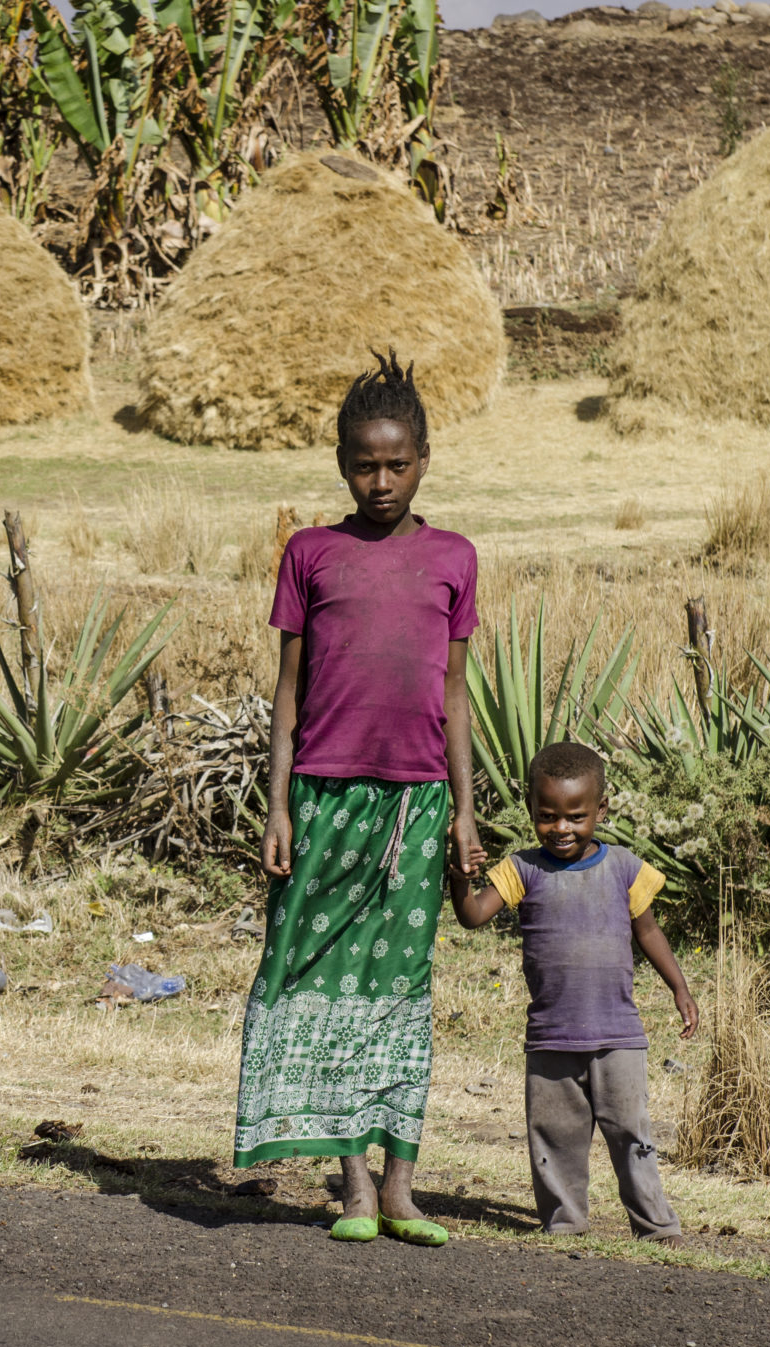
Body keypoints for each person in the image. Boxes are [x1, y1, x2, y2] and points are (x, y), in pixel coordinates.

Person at [239, 350, 485, 1248]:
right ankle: (349, 1185)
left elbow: (454, 694)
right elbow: (289, 694)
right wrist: (276, 806)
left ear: (424, 459)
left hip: (415, 808)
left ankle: (402, 1189)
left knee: (399, 990)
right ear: (341, 463)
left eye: (397, 464)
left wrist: (462, 808)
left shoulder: (454, 558)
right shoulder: (311, 553)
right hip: (322, 798)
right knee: (320, 984)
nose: (380, 482)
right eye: (363, 465)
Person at [449, 740, 698, 1245]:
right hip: (550, 1038)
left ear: (600, 810)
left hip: (618, 1036)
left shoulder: (625, 867)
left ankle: (656, 1227)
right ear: (532, 812)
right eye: (547, 816)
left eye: (576, 816)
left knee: (632, 1135)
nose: (561, 828)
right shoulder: (521, 870)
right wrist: (458, 878)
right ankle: (565, 1223)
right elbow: (473, 915)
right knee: (555, 1139)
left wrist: (680, 988)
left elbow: (647, 932)